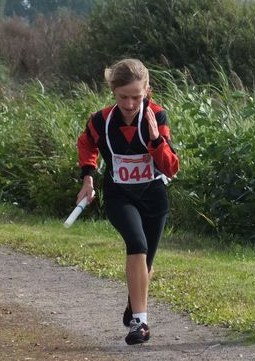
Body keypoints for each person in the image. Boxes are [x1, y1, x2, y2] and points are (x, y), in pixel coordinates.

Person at [76, 58, 179, 345]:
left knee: (146, 261)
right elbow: (86, 144)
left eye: (137, 96)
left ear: (147, 91)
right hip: (120, 196)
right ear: (113, 92)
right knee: (137, 245)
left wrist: (157, 140)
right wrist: (88, 178)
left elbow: (171, 167)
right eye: (124, 97)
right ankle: (141, 324)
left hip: (153, 198)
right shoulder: (101, 120)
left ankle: (135, 302)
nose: (131, 104)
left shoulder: (157, 116)